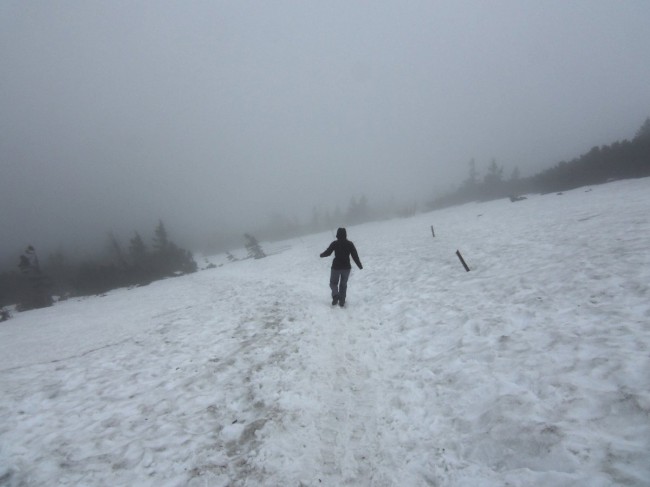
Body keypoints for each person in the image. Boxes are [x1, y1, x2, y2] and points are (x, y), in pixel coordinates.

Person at [320, 227, 363, 307]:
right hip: (346, 268)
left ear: (337, 235)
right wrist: (359, 265)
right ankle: (342, 300)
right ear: (345, 234)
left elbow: (328, 252)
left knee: (333, 283)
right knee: (343, 284)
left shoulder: (335, 243)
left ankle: (335, 295)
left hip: (336, 267)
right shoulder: (350, 244)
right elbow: (355, 255)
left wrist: (321, 255)